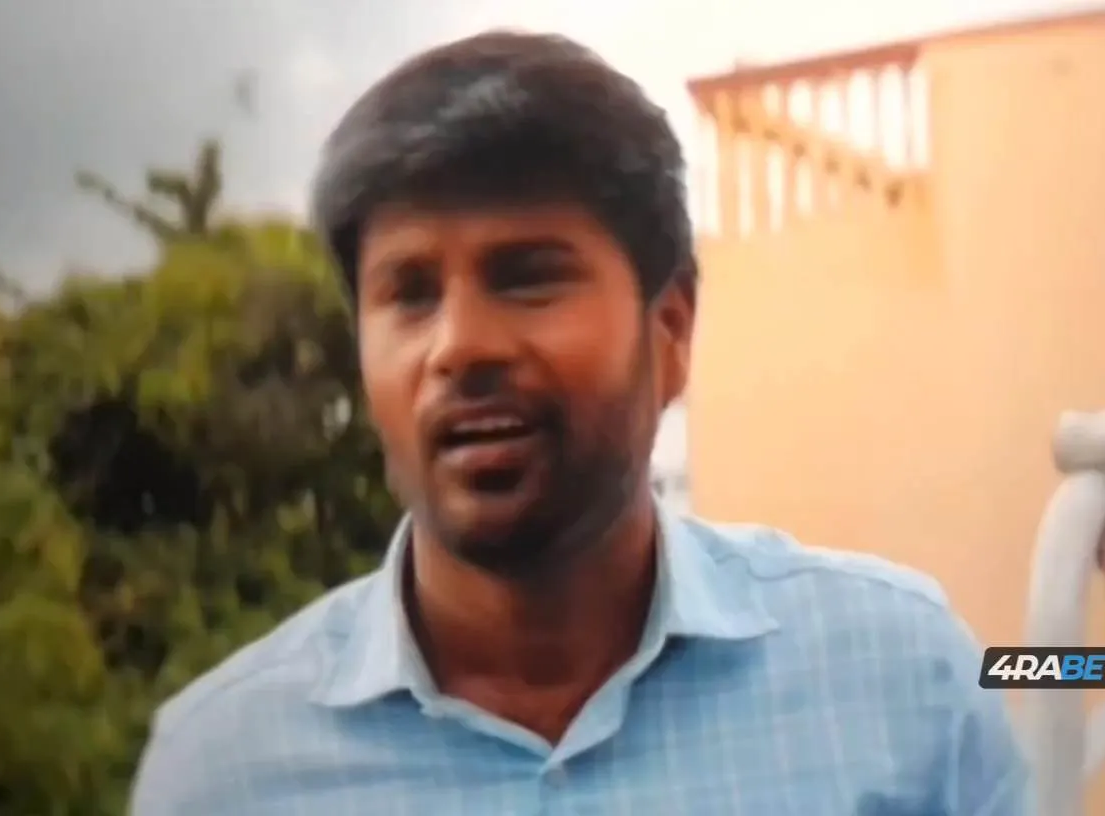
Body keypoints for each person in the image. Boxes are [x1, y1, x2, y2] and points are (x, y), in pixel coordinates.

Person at [129, 31, 1028, 815]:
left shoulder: (901, 682)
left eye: (527, 276)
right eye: (409, 292)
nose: (461, 346)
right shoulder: (223, 773)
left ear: (670, 330)